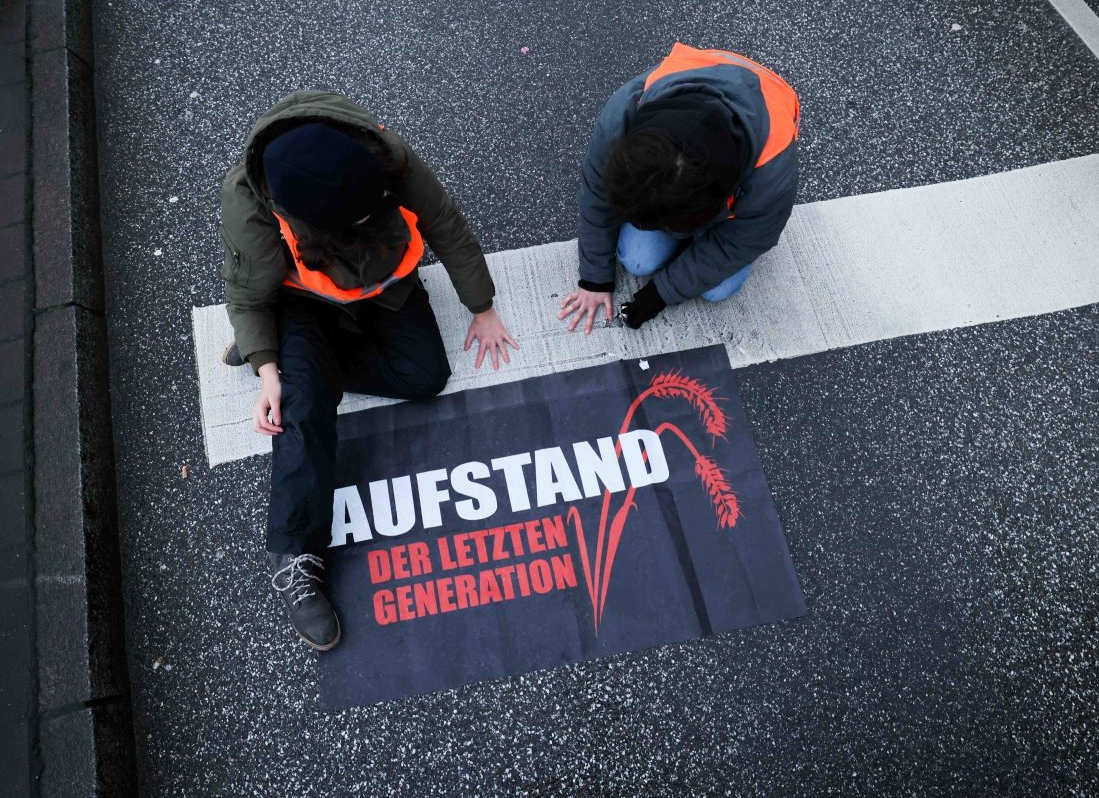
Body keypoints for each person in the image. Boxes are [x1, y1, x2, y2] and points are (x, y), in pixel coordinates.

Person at [220, 91, 518, 650]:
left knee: (423, 375)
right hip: (303, 300)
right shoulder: (249, 206)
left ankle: (302, 362)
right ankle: (298, 552)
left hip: (383, 287)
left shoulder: (382, 154)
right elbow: (248, 293)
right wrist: (268, 368)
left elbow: (444, 222)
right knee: (300, 405)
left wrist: (483, 308)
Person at [560, 43, 801, 333]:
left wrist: (659, 295)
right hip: (703, 155)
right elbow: (596, 196)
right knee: (638, 261)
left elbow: (740, 242)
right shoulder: (622, 115)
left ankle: (691, 242)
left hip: (762, 102)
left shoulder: (772, 172)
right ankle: (681, 241)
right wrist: (594, 280)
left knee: (717, 290)